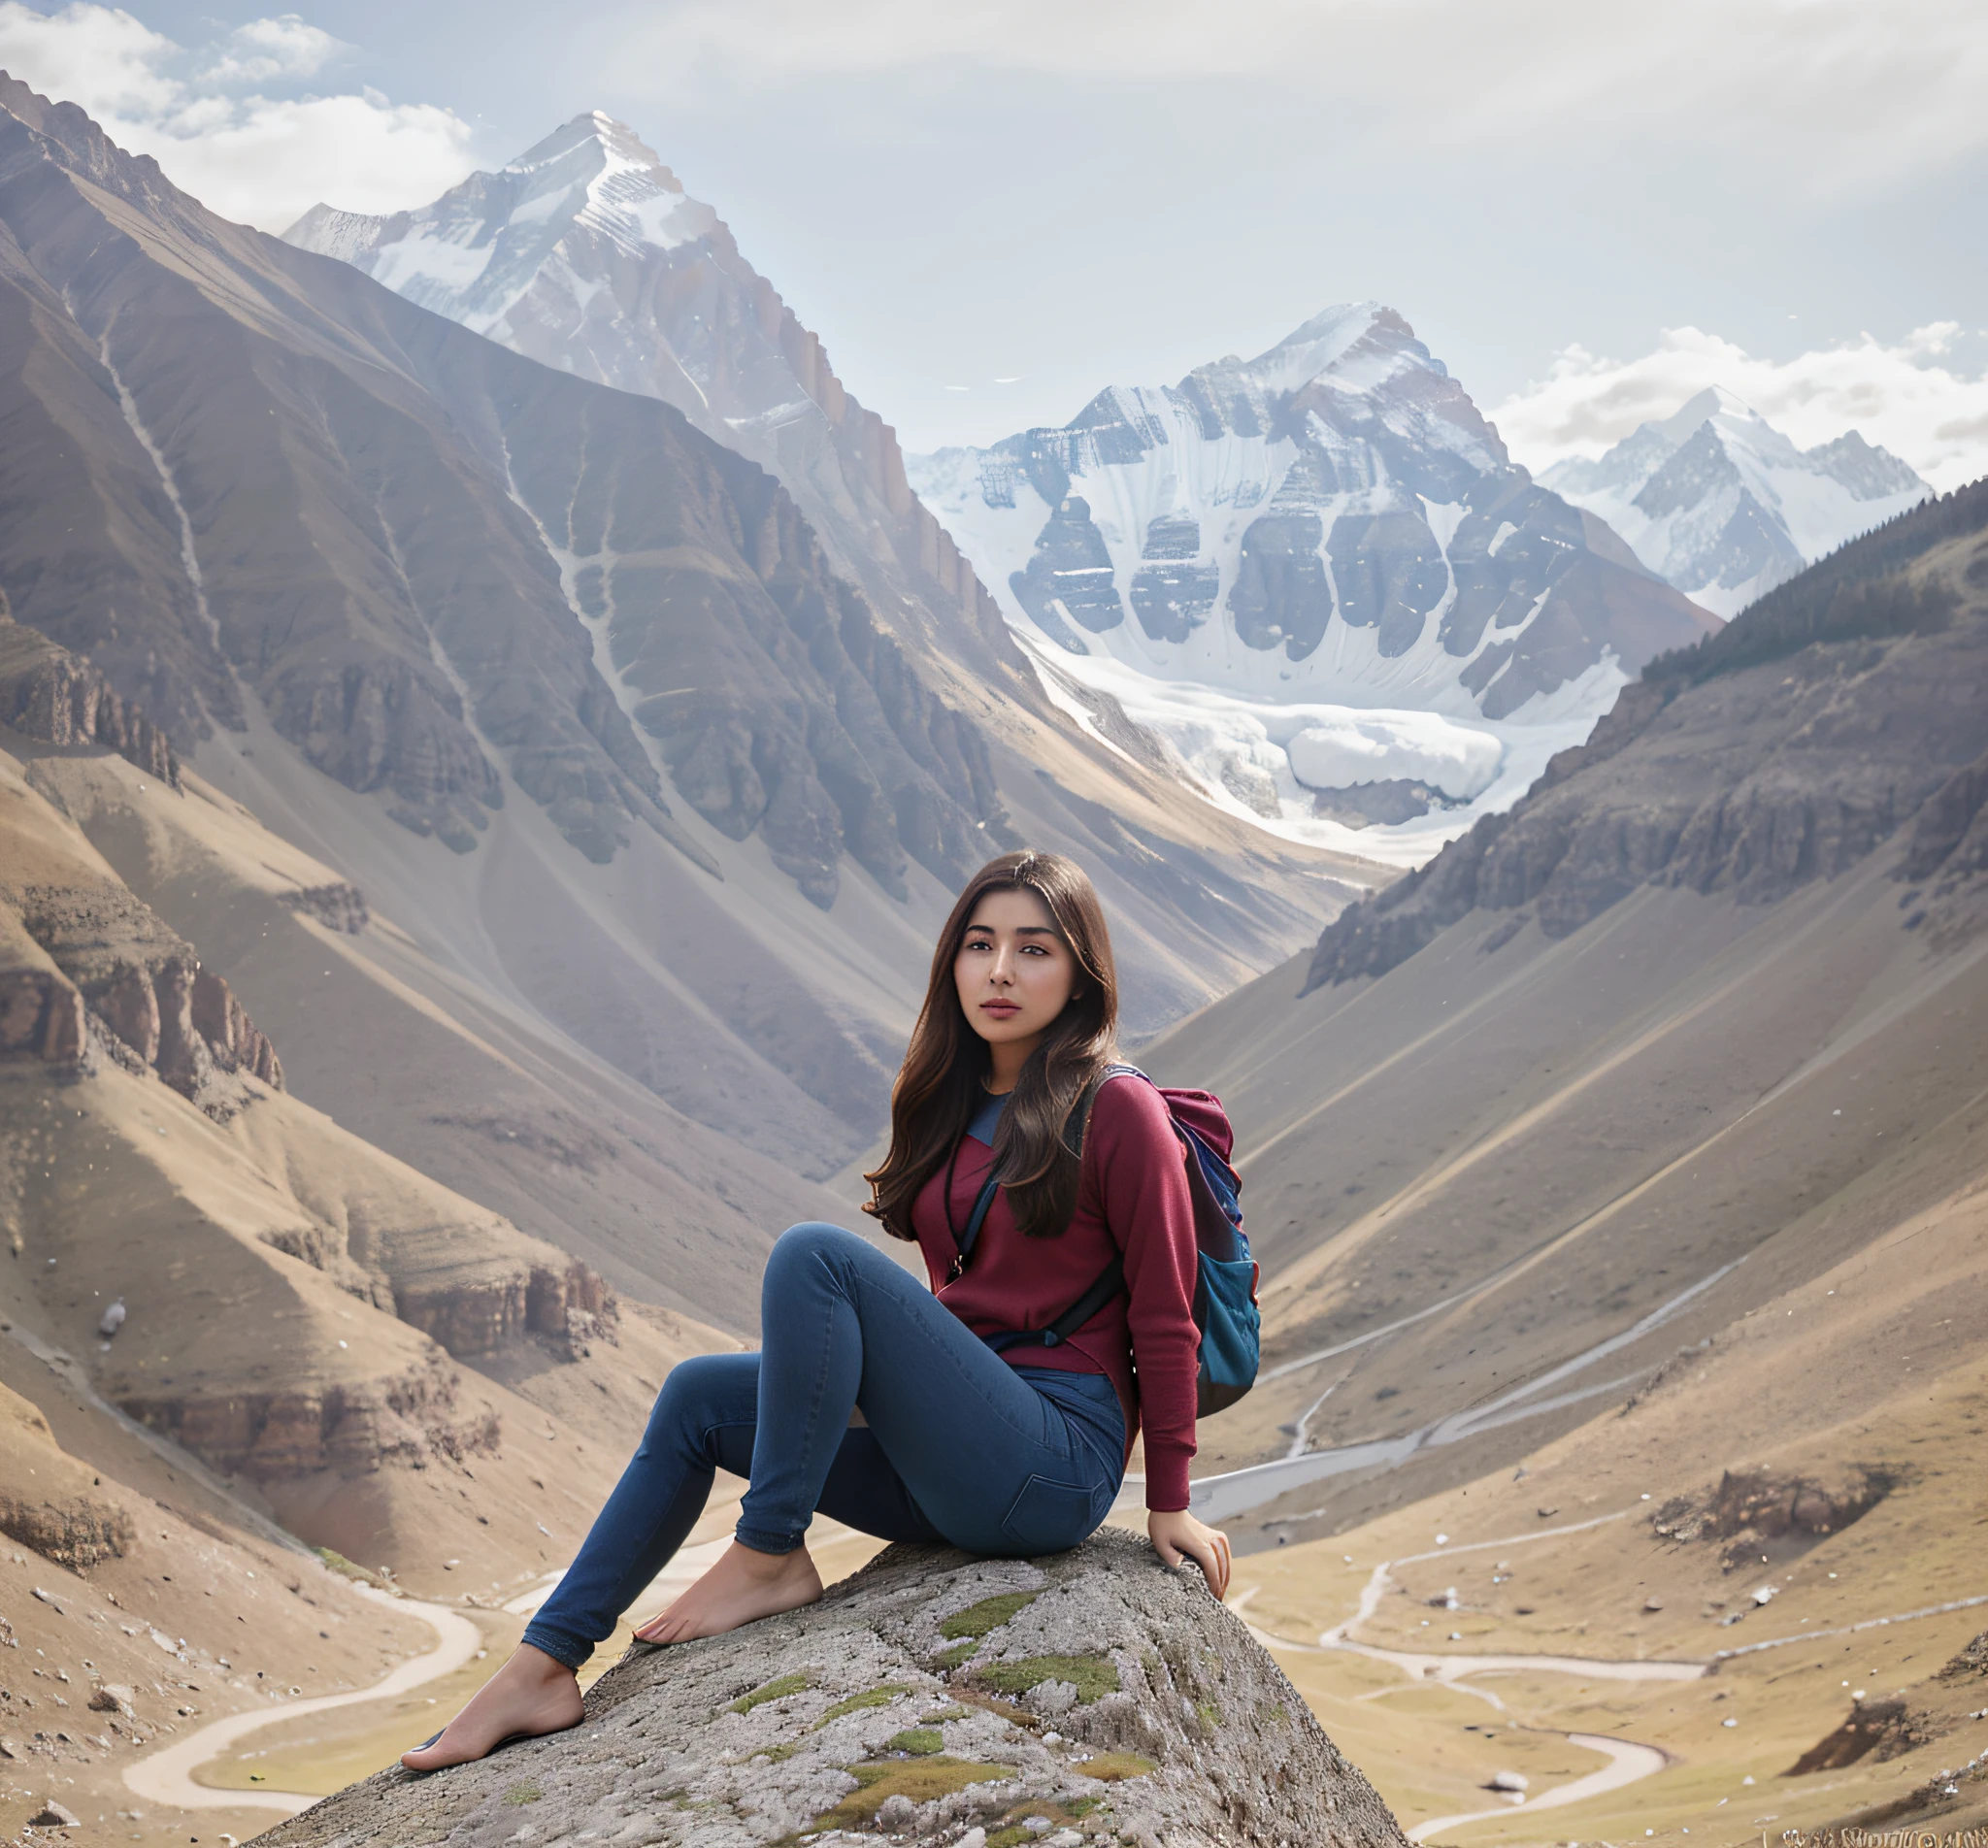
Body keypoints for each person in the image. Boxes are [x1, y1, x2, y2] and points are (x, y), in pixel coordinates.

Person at [404, 849, 1232, 1770]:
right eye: (979, 944)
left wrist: (1171, 1503)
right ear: (951, 961)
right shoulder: (956, 1101)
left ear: (1082, 976)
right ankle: (544, 1665)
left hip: (1052, 1466)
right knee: (697, 1400)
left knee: (815, 1255)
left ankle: (769, 1552)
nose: (1000, 971)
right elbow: (960, 1318)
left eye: (1034, 950)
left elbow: (1165, 1316)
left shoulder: (1119, 1110)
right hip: (958, 1456)